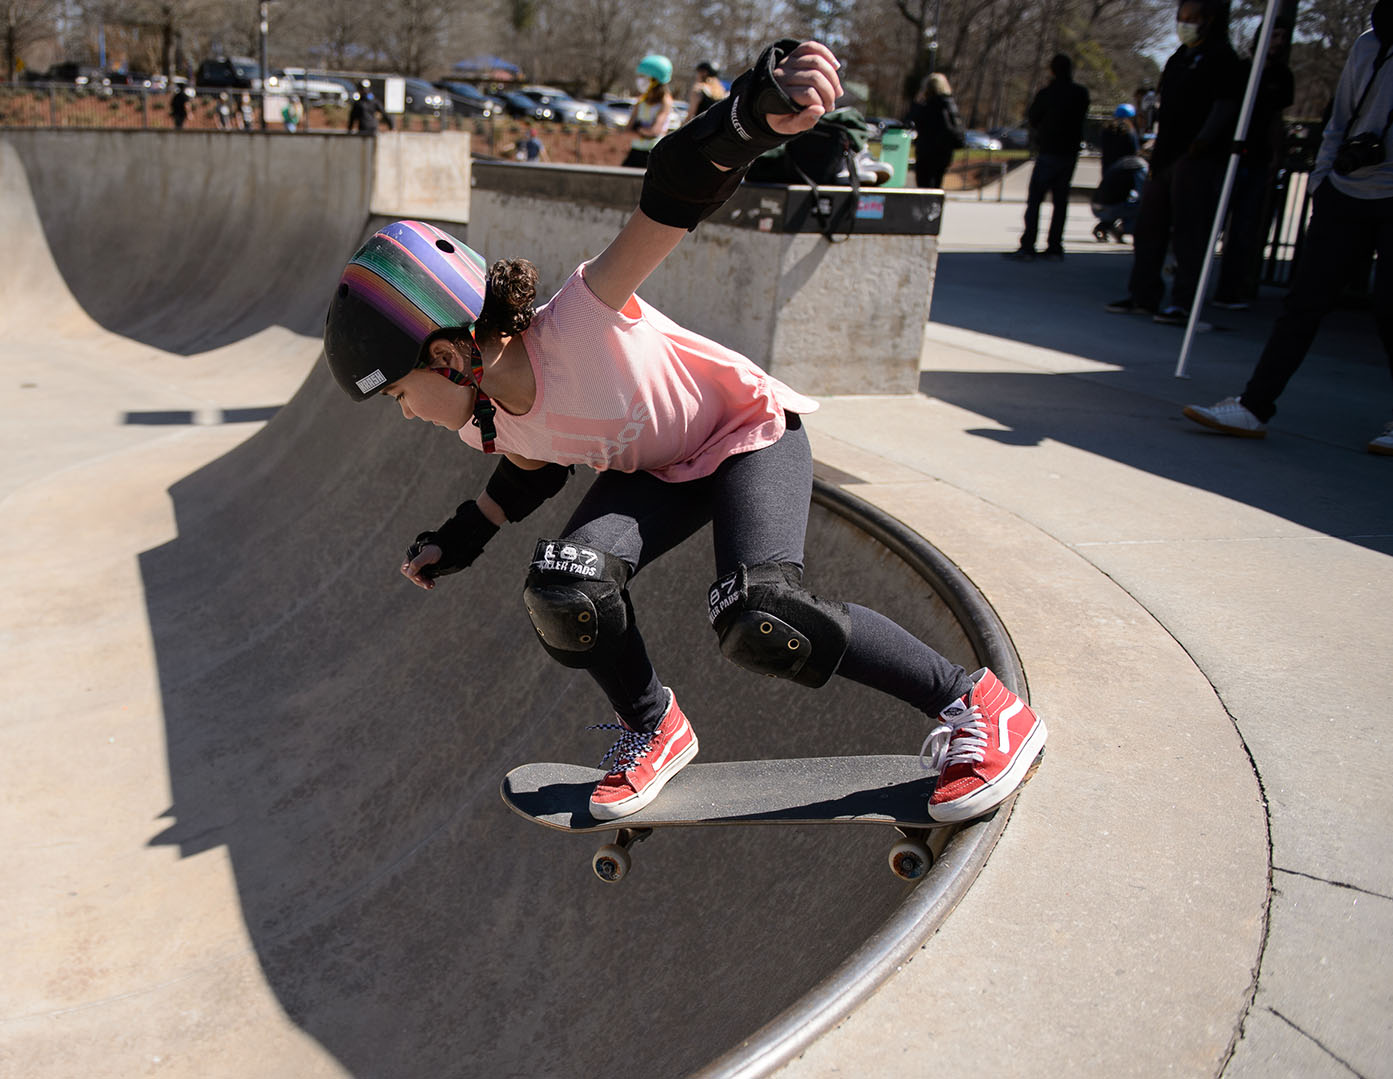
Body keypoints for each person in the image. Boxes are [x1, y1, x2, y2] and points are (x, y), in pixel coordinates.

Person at [320, 39, 1045, 823]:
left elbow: (669, 198)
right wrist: (462, 536)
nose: (403, 411)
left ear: (448, 353)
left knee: (760, 614)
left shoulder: (582, 315)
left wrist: (749, 116)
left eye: (397, 392)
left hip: (747, 434)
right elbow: (530, 467)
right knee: (565, 585)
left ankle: (980, 707)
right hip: (656, 470)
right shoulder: (486, 419)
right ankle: (653, 725)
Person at [1182, 1, 1393, 457]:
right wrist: (1323, 179)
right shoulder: (1367, 44)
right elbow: (1338, 117)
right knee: (1302, 305)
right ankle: (1254, 407)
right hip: (1345, 191)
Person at [1105, 0, 1246, 324]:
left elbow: (1225, 106)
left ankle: (1184, 302)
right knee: (1148, 229)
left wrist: (1204, 141)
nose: (1185, 24)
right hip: (1165, 154)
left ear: (1209, 20)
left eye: (1192, 18)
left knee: (1189, 233)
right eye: (1181, 18)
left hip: (1197, 157)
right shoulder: (1177, 59)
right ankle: (1143, 294)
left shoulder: (1222, 58)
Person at [1212, 23, 1295, 310]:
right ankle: (1191, 287)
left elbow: (1276, 119)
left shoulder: (1281, 77)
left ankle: (1230, 288)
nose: (1278, 42)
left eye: (1282, 37)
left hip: (1257, 159)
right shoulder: (1240, 69)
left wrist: (1276, 154)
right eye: (1274, 35)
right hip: (1229, 155)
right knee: (1212, 223)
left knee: (1245, 228)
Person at [1007, 54, 1090, 262]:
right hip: (1069, 153)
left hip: (1049, 151)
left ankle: (1028, 245)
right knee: (1060, 202)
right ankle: (1054, 246)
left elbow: (1033, 118)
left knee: (1035, 200)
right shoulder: (1080, 93)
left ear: (1052, 70)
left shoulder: (1047, 93)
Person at [904, 73, 964, 190]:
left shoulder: (926, 106)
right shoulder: (949, 104)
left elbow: (909, 120)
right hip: (944, 153)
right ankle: (935, 207)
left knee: (924, 186)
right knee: (937, 185)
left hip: (926, 152)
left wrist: (916, 102)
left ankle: (925, 207)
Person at [622, 54, 676, 168]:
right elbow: (627, 132)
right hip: (635, 151)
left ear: (654, 79)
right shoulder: (641, 100)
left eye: (643, 76)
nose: (640, 79)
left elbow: (654, 131)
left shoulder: (665, 101)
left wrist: (638, 131)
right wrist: (643, 132)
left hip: (654, 153)